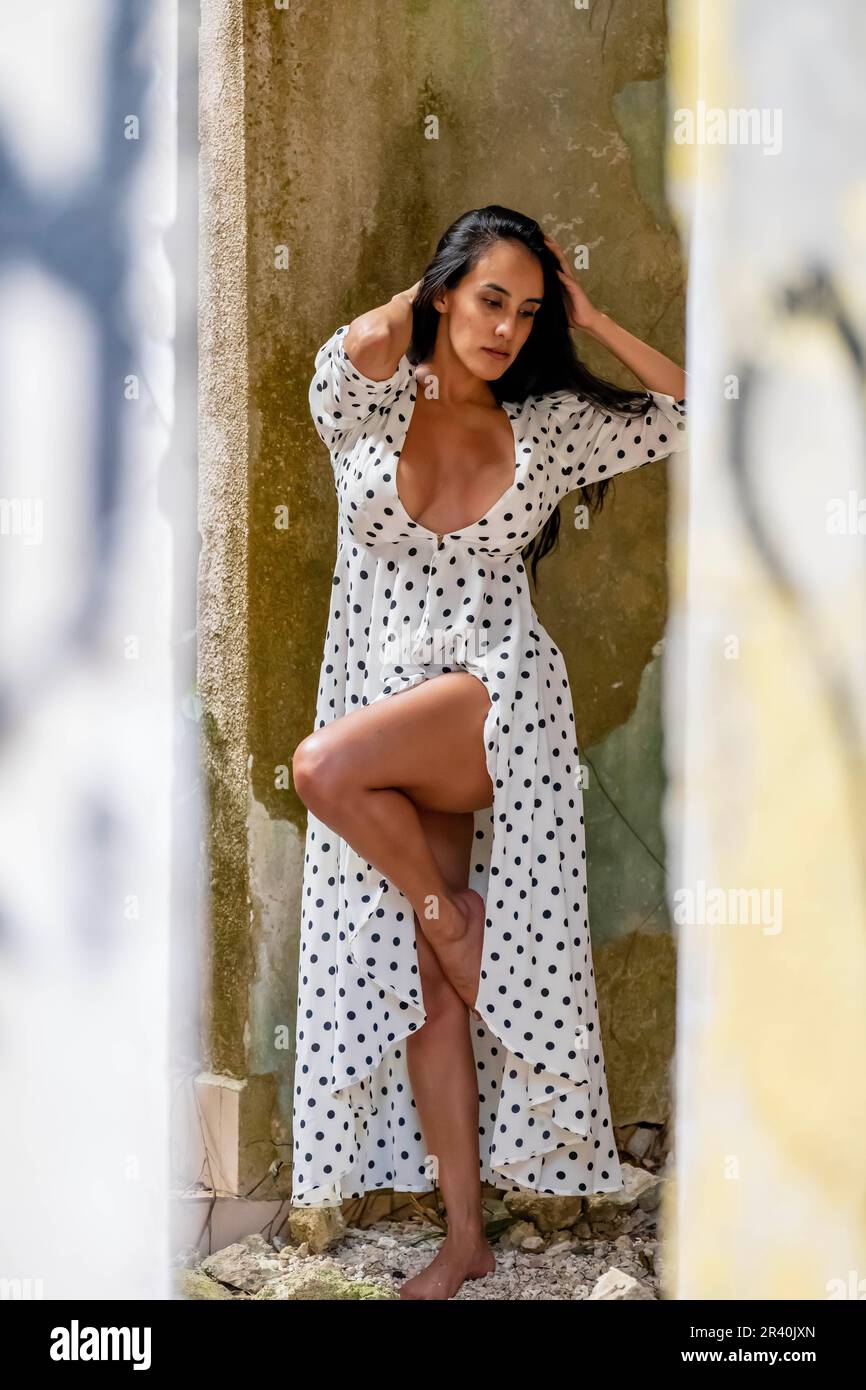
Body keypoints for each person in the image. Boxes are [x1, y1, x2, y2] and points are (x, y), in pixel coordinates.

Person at [291, 205, 688, 1299]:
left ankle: (449, 918)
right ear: (442, 294)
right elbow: (353, 351)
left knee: (320, 770)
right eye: (487, 300)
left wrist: (591, 312)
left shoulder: (548, 425)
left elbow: (694, 405)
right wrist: (420, 300)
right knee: (428, 994)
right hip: (390, 699)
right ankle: (462, 1237)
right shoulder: (371, 400)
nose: (507, 328)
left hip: (495, 700)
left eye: (526, 309)